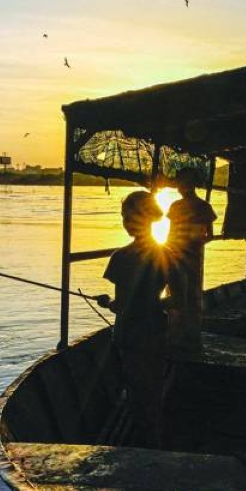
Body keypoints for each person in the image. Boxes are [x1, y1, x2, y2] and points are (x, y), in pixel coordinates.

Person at [102, 190, 170, 448]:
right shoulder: (165, 253)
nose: (125, 222)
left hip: (130, 336)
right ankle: (155, 440)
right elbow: (178, 298)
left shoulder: (121, 257)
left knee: (138, 396)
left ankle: (146, 446)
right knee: (152, 392)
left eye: (128, 216)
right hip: (156, 332)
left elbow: (121, 306)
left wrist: (107, 302)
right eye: (124, 217)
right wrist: (153, 304)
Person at [165, 168, 217, 350]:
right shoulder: (181, 206)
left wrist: (191, 243)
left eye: (182, 182)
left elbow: (209, 235)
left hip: (186, 255)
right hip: (182, 254)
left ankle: (184, 336)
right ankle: (182, 335)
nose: (180, 186)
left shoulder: (201, 207)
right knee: (186, 293)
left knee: (184, 293)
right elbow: (172, 233)